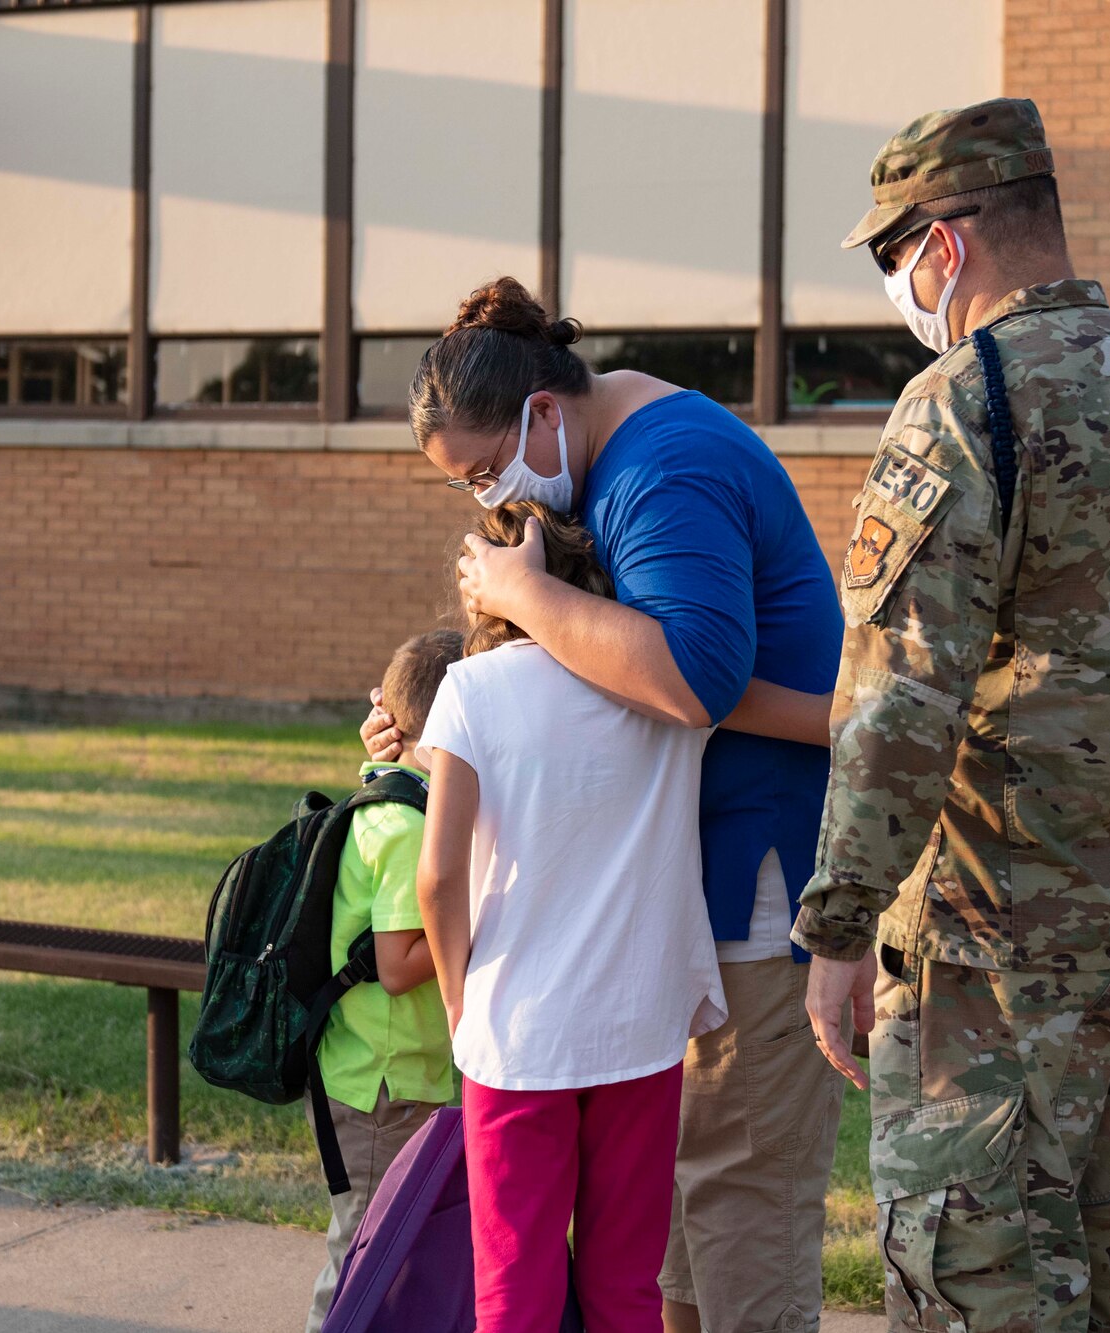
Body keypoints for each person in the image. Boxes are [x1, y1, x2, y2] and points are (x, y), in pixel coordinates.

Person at [795, 97, 1110, 1331]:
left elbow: (900, 696)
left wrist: (840, 926)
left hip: (994, 963)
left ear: (945, 244)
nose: (901, 284)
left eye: (897, 254)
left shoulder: (964, 399)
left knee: (983, 1296)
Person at [362, 277, 846, 1333]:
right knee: (668, 1226)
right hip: (670, 912)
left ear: (544, 409)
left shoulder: (663, 467)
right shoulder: (610, 458)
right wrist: (434, 720)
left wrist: (519, 597)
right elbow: (599, 672)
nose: (488, 502)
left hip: (753, 886)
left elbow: (688, 677)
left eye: (486, 470)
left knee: (737, 1203)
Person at [415, 501, 726, 1333]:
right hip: (640, 1022)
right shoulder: (669, 690)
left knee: (514, 1292)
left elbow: (439, 876)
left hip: (515, 1027)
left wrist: (457, 997)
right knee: (628, 1290)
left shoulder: (473, 688)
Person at [304, 629, 463, 1333]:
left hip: (390, 1077)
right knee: (363, 1250)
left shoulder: (402, 799)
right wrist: (479, 919)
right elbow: (398, 965)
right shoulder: (401, 825)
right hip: (380, 1087)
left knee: (388, 1246)